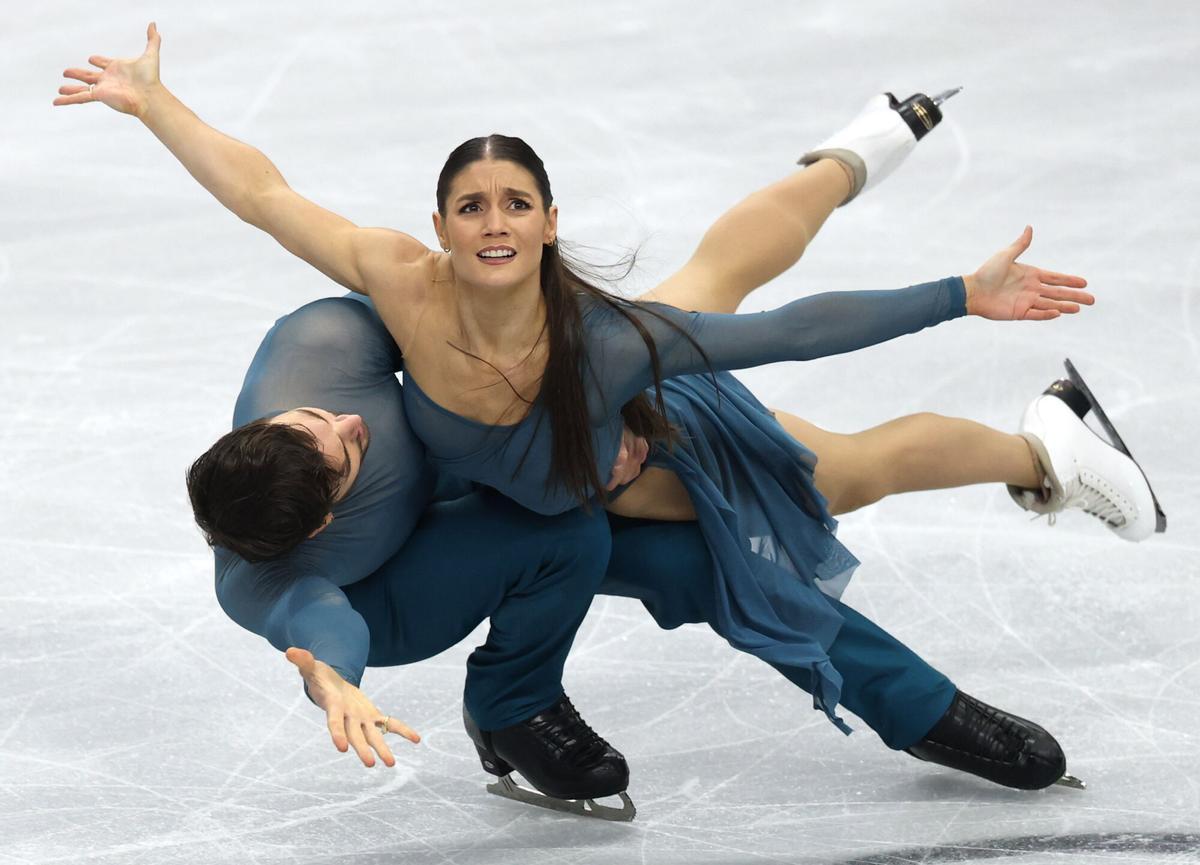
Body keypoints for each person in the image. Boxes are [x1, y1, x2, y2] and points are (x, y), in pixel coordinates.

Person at [56, 23, 1155, 816]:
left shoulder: (539, 342)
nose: (349, 426)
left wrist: (958, 295)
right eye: (473, 208)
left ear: (545, 219)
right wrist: (331, 678)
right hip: (524, 491)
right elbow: (321, 618)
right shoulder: (363, 366)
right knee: (708, 299)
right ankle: (860, 147)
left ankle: (1043, 446)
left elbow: (793, 330)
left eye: (514, 204)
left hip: (610, 436)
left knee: (818, 481)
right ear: (437, 224)